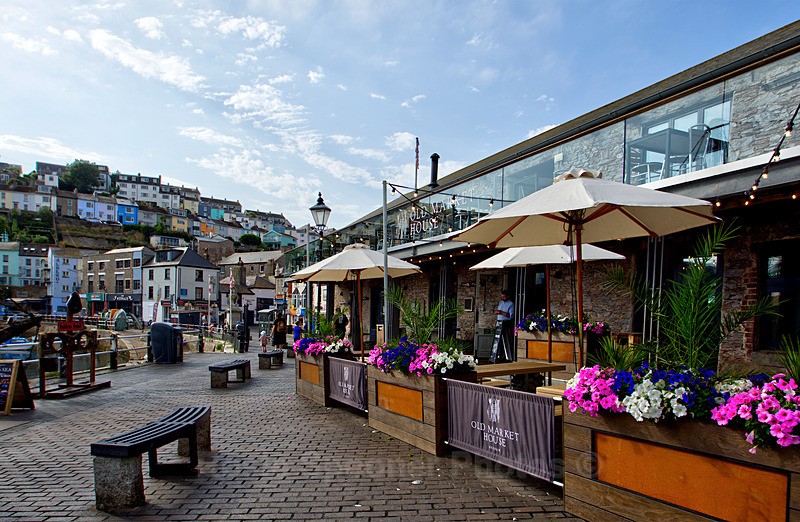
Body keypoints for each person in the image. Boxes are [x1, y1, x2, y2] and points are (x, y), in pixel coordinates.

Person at [494, 290, 515, 362]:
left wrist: (501, 312)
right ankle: (497, 356)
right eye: (502, 296)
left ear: (508, 296)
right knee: (498, 340)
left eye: (504, 297)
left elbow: (510, 316)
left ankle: (506, 357)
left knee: (506, 340)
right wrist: (497, 312)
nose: (503, 298)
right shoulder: (501, 302)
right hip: (499, 323)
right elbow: (498, 311)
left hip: (506, 323)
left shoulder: (511, 304)